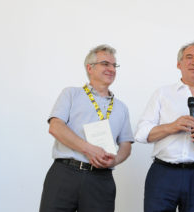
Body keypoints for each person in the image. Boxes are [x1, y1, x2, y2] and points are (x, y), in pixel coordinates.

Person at [135, 40, 194, 212]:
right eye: (189, 57)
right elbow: (141, 133)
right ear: (179, 64)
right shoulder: (162, 93)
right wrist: (171, 127)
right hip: (163, 173)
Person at [39, 44, 134, 212]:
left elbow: (126, 145)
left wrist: (115, 160)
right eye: (105, 64)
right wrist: (89, 149)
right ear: (90, 67)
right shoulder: (71, 94)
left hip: (101, 179)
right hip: (65, 173)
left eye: (114, 65)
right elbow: (55, 127)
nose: (111, 69)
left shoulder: (121, 108)